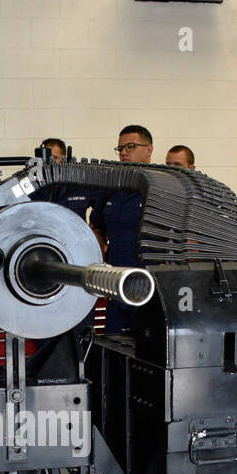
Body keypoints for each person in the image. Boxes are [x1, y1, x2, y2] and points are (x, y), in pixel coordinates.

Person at [90, 124, 153, 334]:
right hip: (118, 285)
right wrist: (103, 256)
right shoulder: (112, 188)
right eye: (120, 148)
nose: (124, 152)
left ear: (149, 150)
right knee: (114, 344)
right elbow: (96, 227)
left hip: (149, 287)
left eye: (131, 146)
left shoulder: (159, 189)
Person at [32, 136, 98, 222]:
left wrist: (94, 228)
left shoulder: (80, 184)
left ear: (65, 159)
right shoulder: (33, 188)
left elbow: (100, 207)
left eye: (54, 158)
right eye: (46, 158)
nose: (49, 162)